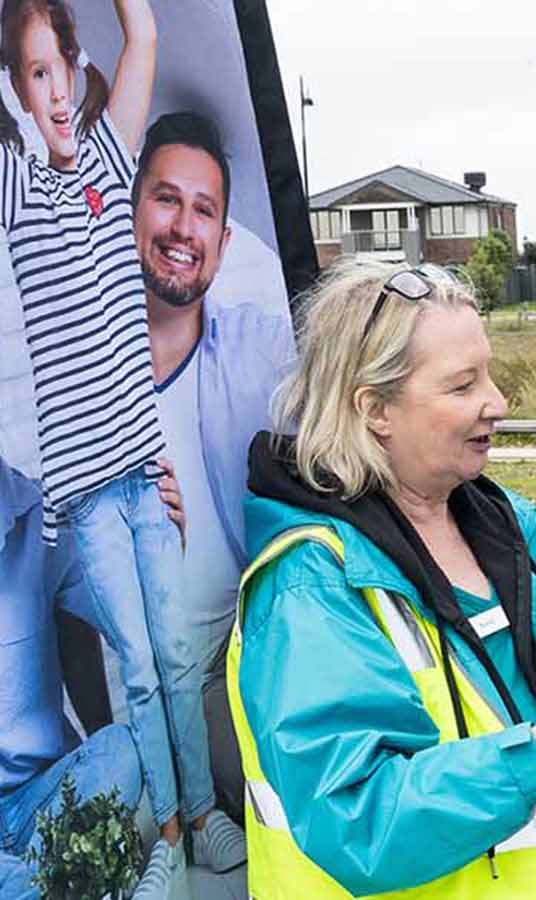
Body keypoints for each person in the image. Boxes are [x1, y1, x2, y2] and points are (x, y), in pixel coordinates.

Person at [227, 258, 536, 899]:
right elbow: (354, 818)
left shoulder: (498, 527)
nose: (496, 404)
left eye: (491, 375)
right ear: (376, 409)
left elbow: (516, 700)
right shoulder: (312, 584)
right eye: (462, 386)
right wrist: (535, 760)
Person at [0, 0, 240, 879]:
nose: (58, 90)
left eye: (63, 63)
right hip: (88, 495)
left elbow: (142, 33)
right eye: (35, 73)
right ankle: (172, 836)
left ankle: (204, 813)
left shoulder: (109, 156)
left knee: (175, 653)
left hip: (146, 473)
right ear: (18, 90)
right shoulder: (16, 189)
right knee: (138, 665)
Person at [133, 109, 296, 829]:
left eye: (203, 211)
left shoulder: (262, 354)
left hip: (225, 670)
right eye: (167, 199)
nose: (182, 228)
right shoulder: (67, 369)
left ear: (223, 242)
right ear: (128, 206)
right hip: (114, 690)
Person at [0, 455, 173, 900]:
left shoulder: (42, 516)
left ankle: (54, 884)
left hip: (39, 796)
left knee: (120, 749)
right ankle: (78, 884)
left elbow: (135, 634)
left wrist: (160, 538)